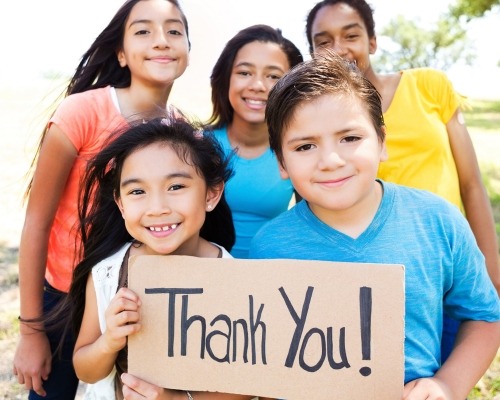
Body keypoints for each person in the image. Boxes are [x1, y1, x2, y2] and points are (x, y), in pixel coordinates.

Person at [248, 51, 500, 400]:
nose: (331, 161)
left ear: (381, 142)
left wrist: (448, 384)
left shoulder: (438, 221)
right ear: (281, 163)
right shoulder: (268, 247)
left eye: (350, 138)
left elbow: (483, 316)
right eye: (305, 146)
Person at [303, 0, 500, 363]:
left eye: (351, 35)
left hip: (448, 261)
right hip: (381, 282)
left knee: (453, 371)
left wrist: (491, 267)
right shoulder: (323, 121)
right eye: (324, 41)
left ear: (372, 41)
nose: (340, 47)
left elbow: (472, 183)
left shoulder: (429, 86)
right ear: (313, 54)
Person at [13, 0, 190, 398]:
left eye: (175, 31)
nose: (161, 41)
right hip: (64, 304)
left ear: (187, 52)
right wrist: (30, 330)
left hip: (136, 303)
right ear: (121, 53)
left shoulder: (182, 132)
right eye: (144, 31)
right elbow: (37, 222)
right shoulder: (82, 113)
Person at [61, 116, 255, 399]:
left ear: (211, 194)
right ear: (121, 204)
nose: (157, 207)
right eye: (137, 191)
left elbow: (247, 385)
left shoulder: (236, 281)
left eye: (176, 187)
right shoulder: (108, 274)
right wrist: (110, 341)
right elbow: (85, 370)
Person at [205, 24, 303, 259]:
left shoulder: (299, 150)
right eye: (245, 72)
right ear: (225, 78)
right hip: (205, 280)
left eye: (273, 76)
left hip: (269, 283)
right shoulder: (197, 146)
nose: (258, 85)